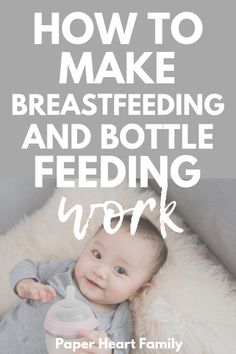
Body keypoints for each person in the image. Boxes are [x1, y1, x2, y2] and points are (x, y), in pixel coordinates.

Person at [0, 215, 168, 354]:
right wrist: (27, 282)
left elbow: (121, 349)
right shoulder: (66, 269)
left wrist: (106, 350)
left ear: (137, 291)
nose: (100, 271)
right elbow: (27, 266)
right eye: (97, 254)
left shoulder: (118, 318)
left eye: (120, 270)